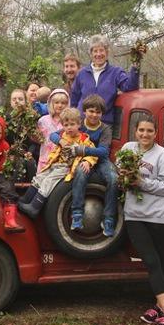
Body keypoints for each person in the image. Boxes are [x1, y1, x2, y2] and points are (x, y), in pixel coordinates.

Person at [118, 114, 164, 325]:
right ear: (135, 131)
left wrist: (140, 182)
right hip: (135, 215)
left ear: (156, 133)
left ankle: (162, 310)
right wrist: (123, 176)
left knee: (161, 261)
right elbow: (119, 169)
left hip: (160, 216)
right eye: (141, 130)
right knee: (151, 260)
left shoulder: (163, 155)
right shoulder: (128, 149)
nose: (145, 134)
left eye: (149, 131)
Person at [49, 94, 118, 236]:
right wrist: (61, 141)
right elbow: (53, 135)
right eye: (91, 111)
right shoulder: (77, 124)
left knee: (113, 178)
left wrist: (84, 152)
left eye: (98, 112)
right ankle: (77, 214)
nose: (94, 115)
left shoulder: (105, 129)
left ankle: (109, 218)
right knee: (80, 173)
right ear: (85, 111)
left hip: (99, 161)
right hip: (80, 160)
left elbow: (104, 152)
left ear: (102, 114)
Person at [18, 108, 97, 219]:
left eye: (72, 124)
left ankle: (35, 207)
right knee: (40, 177)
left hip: (67, 167)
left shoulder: (84, 139)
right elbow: (55, 148)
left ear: (79, 124)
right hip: (55, 164)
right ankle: (26, 199)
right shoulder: (63, 136)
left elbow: (92, 152)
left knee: (48, 182)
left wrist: (87, 161)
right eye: (66, 125)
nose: (69, 127)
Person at [70, 34, 140, 125]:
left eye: (101, 50)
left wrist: (136, 65)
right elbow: (74, 99)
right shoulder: (82, 73)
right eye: (95, 51)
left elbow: (129, 86)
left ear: (107, 53)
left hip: (104, 125)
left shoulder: (115, 72)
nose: (98, 54)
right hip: (82, 123)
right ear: (91, 54)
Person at [36, 88, 69, 172]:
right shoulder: (43, 120)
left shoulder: (69, 121)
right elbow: (38, 138)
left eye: (63, 103)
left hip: (62, 161)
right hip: (45, 158)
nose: (60, 105)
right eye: (57, 103)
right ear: (51, 104)